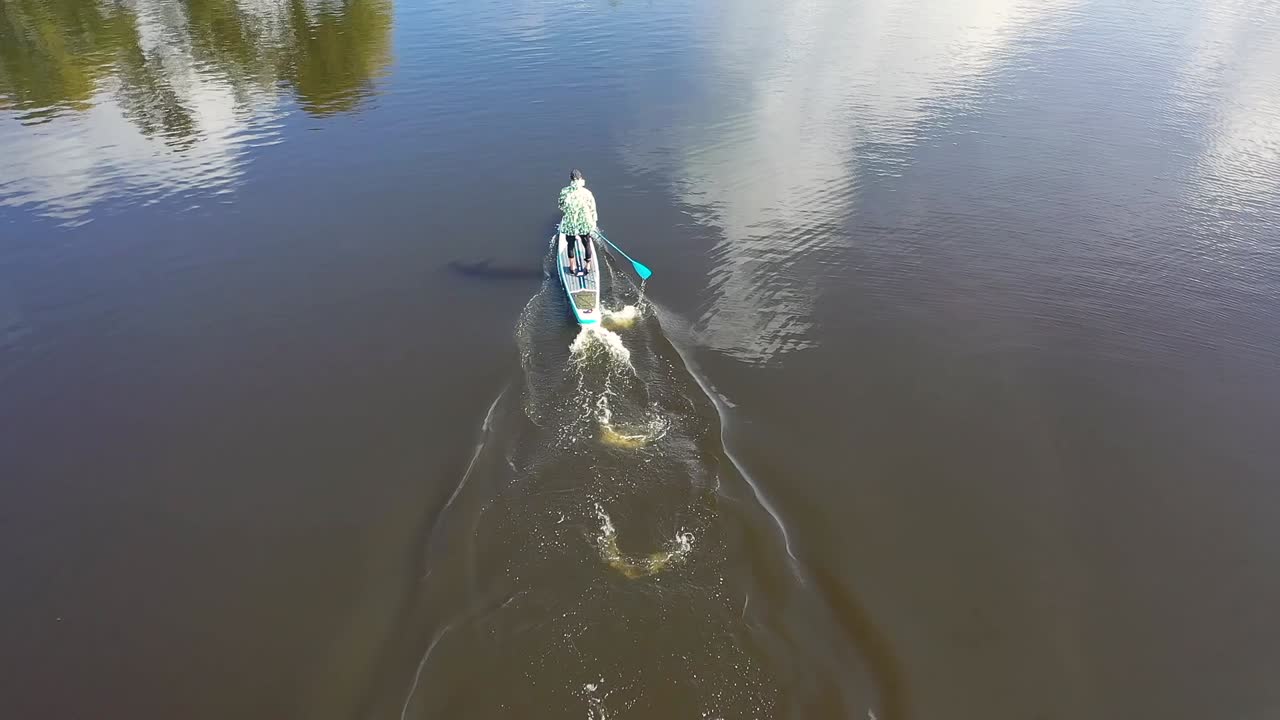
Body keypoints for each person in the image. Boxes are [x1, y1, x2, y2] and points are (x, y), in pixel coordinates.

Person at [558, 169, 598, 276]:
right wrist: (593, 222)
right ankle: (588, 266)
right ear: (581, 178)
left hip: (571, 223)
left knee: (570, 245)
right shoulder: (587, 193)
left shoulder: (564, 191)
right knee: (587, 243)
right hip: (584, 223)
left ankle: (572, 267)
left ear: (571, 179)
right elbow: (592, 209)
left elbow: (561, 205)